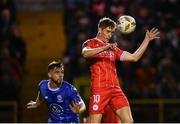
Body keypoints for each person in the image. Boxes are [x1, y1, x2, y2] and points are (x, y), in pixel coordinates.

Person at [82, 17, 159, 123]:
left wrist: (147, 40)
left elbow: (134, 57)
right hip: (99, 89)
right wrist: (105, 48)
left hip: (115, 89)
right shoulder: (90, 43)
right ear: (100, 29)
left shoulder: (113, 49)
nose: (110, 35)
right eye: (108, 31)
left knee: (128, 121)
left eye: (112, 33)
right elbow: (85, 53)